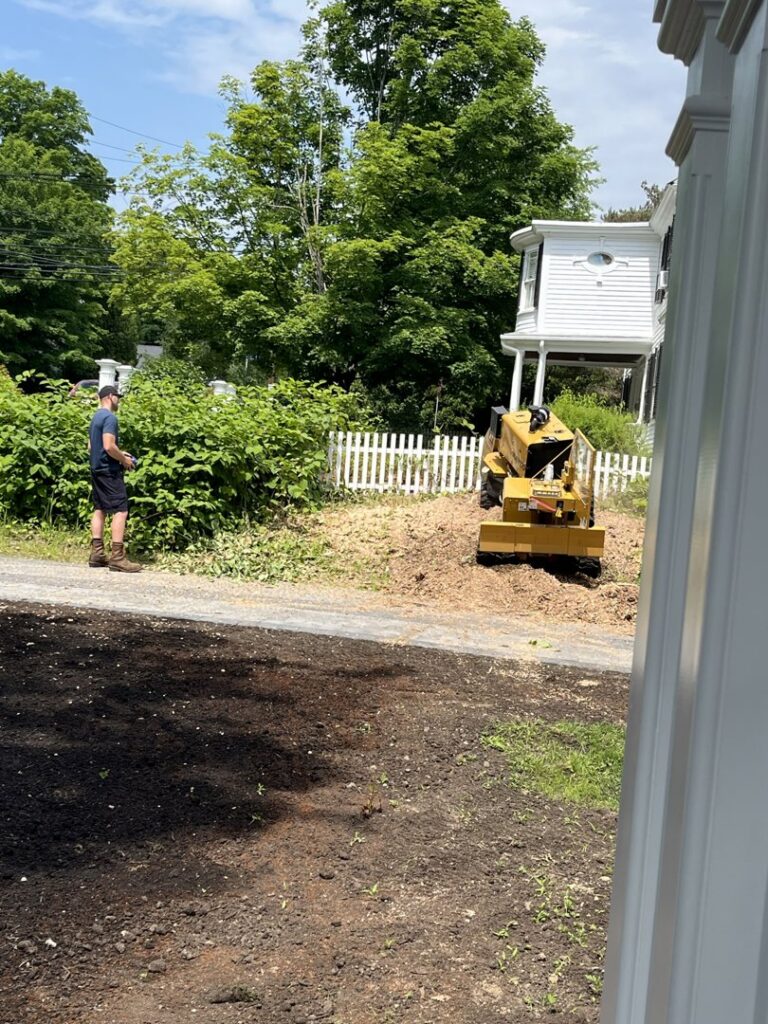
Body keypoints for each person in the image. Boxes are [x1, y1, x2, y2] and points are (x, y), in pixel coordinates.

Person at [88, 384, 142, 572]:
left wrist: (119, 453)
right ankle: (117, 557)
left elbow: (91, 447)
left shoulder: (95, 417)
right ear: (110, 397)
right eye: (117, 396)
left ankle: (97, 554)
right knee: (121, 509)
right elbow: (109, 446)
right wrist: (124, 460)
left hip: (96, 468)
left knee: (100, 508)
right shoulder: (110, 417)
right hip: (109, 471)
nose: (119, 400)